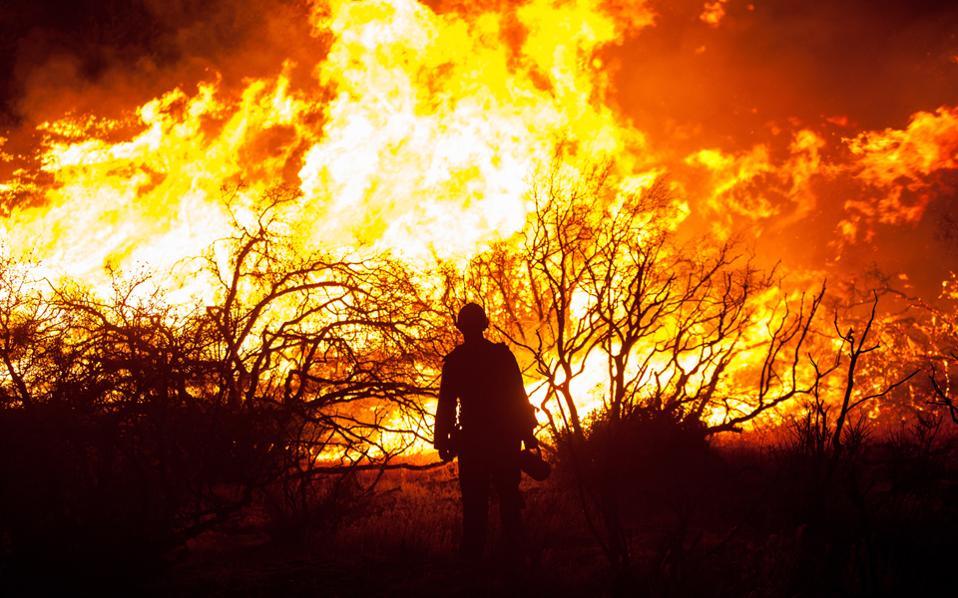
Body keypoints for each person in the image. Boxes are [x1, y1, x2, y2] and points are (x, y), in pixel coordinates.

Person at [434, 303, 539, 563]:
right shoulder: (502, 356)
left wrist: (442, 441)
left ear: (461, 328)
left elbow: (446, 405)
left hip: (473, 442)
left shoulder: (456, 361)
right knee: (509, 497)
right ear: (484, 325)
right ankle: (515, 556)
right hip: (505, 439)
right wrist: (527, 435)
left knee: (474, 502)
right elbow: (518, 398)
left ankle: (473, 559)